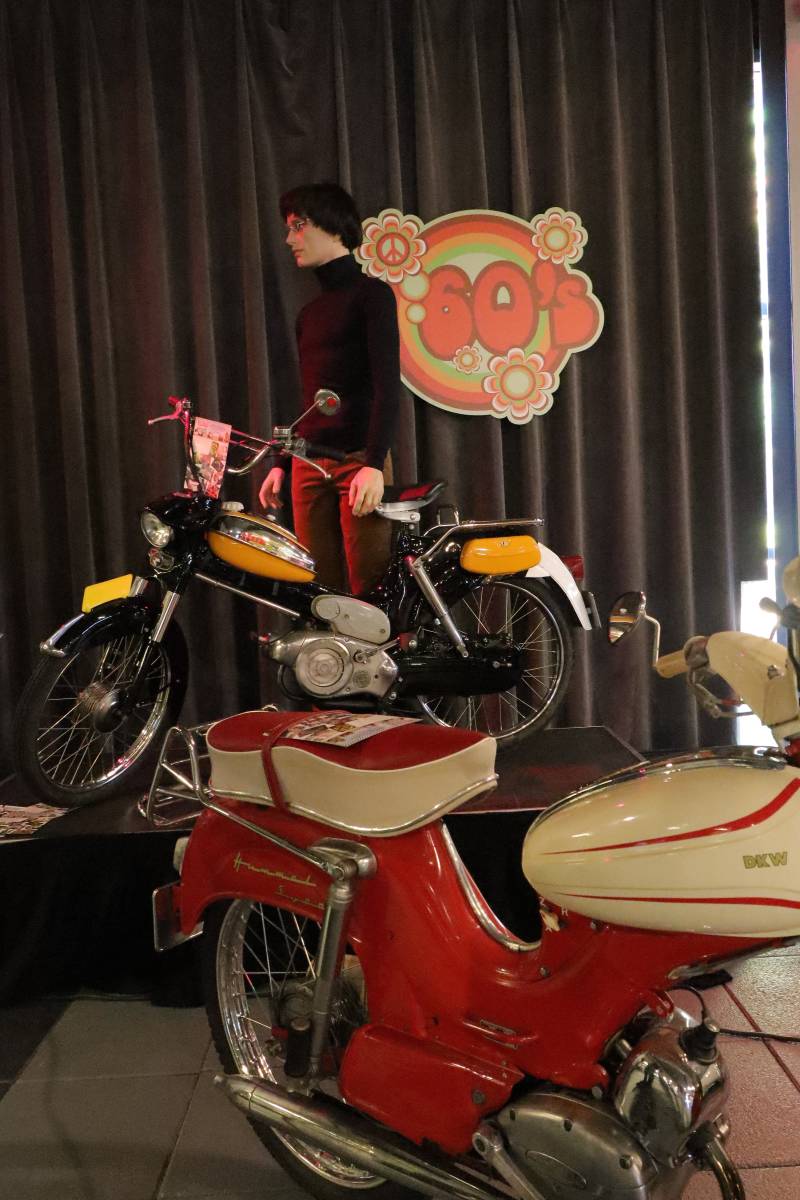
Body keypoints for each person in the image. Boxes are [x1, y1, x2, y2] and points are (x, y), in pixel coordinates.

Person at [258, 183, 400, 596]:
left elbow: (387, 386)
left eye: (298, 226)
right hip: (308, 465)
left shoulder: (372, 295)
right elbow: (309, 400)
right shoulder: (310, 313)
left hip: (357, 459)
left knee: (369, 588)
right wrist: (282, 462)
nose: (290, 239)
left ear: (334, 227)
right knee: (317, 590)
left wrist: (374, 463)